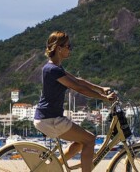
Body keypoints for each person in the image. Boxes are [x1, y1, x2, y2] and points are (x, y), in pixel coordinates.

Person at [33, 31, 118, 172]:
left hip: (50, 117)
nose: (70, 49)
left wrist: (101, 89)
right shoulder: (52, 69)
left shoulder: (56, 68)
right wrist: (104, 99)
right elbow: (78, 88)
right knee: (90, 140)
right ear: (59, 48)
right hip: (50, 119)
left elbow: (78, 81)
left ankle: (55, 167)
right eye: (68, 46)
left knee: (80, 142)